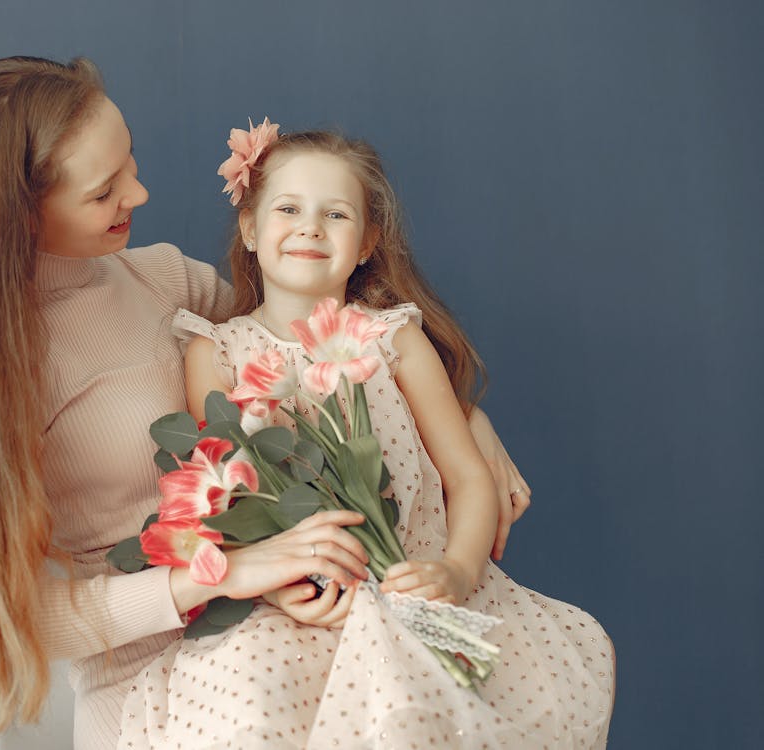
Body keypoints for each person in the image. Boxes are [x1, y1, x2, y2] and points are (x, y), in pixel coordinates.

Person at [0, 56, 533, 750]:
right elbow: (14, 619)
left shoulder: (163, 280)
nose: (140, 194)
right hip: (148, 667)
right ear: (18, 212)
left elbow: (310, 349)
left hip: (294, 625)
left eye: (130, 163)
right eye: (103, 192)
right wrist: (225, 574)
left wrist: (460, 423)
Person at [116, 126, 614, 748]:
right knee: (252, 707)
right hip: (302, 607)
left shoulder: (392, 339)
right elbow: (229, 496)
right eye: (289, 209)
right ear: (249, 229)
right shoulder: (217, 352)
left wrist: (457, 572)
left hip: (414, 585)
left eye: (337, 214)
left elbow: (467, 473)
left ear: (367, 244)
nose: (311, 227)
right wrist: (285, 588)